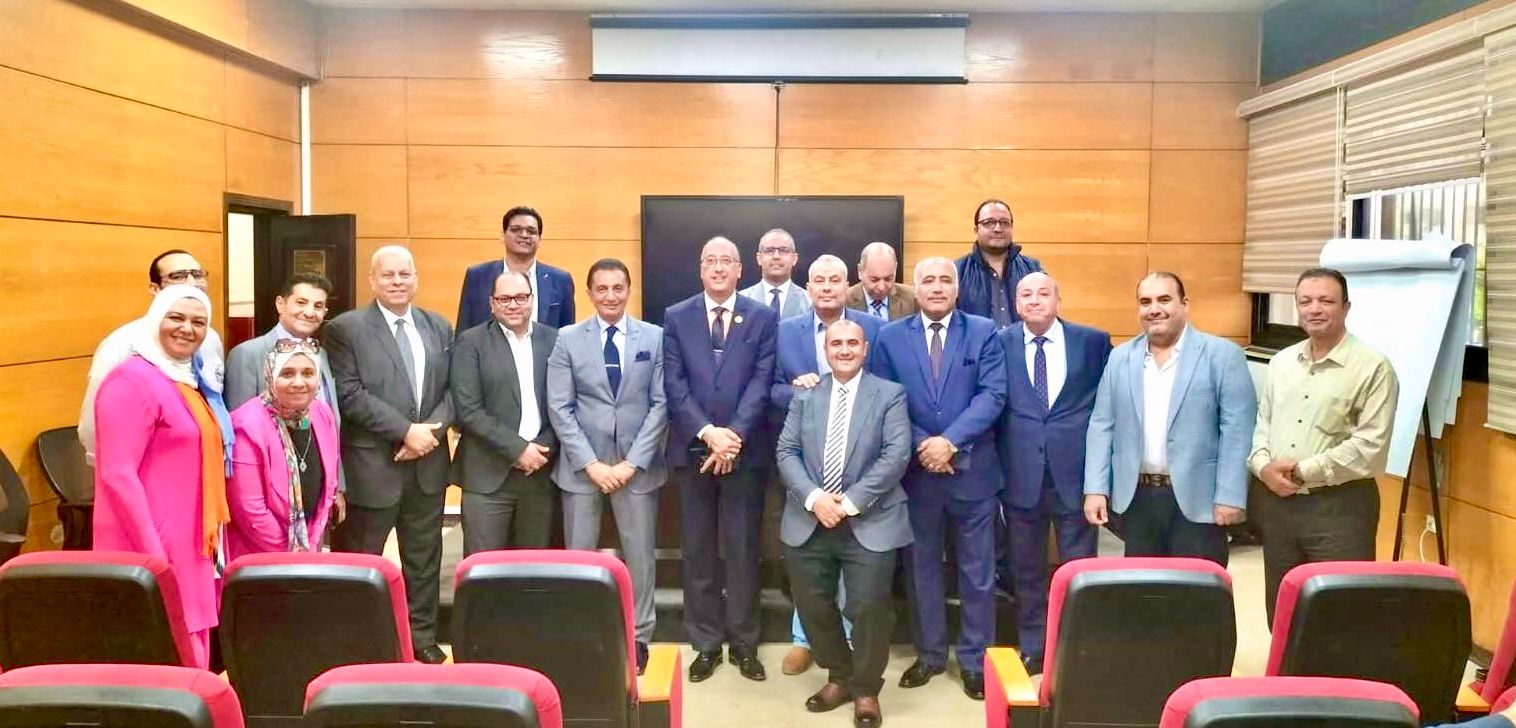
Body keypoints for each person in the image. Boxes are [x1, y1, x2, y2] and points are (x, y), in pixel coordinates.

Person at [870, 257, 1007, 700]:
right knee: (921, 570)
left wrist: (949, 442)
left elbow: (992, 395)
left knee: (977, 572)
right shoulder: (890, 337)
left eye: (945, 280)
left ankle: (975, 660)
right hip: (916, 476)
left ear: (956, 288)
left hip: (974, 474)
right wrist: (924, 446)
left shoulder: (983, 332)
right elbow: (885, 399)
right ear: (915, 288)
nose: (936, 287)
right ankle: (929, 655)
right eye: (927, 280)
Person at [776, 319, 912, 728]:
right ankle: (839, 676)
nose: (845, 350)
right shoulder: (805, 395)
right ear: (826, 350)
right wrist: (816, 499)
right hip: (810, 518)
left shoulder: (889, 394)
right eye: (837, 343)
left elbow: (896, 454)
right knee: (813, 605)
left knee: (868, 608)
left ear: (865, 349)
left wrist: (849, 503)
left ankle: (866, 689)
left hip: (870, 519)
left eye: (853, 343)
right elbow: (786, 450)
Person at [324, 245, 454, 665]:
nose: (397, 281)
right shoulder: (345, 329)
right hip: (371, 467)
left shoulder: (438, 326)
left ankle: (421, 639)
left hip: (427, 464)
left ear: (416, 278)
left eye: (404, 274)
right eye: (388, 275)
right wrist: (405, 431)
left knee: (424, 560)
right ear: (372, 280)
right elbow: (349, 394)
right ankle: (357, 643)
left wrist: (428, 434)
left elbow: (454, 391)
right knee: (360, 561)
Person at [92, 285, 231, 669]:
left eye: (198, 322)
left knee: (192, 649)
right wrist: (154, 555)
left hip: (190, 544)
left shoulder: (183, 380)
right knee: (164, 656)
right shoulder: (130, 381)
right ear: (154, 320)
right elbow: (117, 474)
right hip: (150, 543)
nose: (187, 328)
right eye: (176, 317)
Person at [1249, 268, 1397, 622]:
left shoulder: (1373, 367)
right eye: (1305, 301)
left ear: (1346, 307)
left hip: (1340, 508)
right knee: (1282, 610)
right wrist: (1262, 466)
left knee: (1340, 612)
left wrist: (1303, 471)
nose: (1314, 309)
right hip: (1278, 506)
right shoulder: (1282, 362)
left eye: (1326, 301)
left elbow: (1370, 447)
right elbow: (1263, 424)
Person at [663, 236, 779, 683]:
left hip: (745, 453)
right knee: (698, 551)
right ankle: (706, 643)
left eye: (725, 261)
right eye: (709, 260)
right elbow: (674, 384)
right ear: (700, 269)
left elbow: (762, 382)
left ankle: (745, 643)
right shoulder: (677, 316)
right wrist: (710, 434)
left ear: (739, 270)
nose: (717, 268)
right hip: (694, 451)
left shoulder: (762, 317)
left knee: (744, 549)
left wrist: (732, 438)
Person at [1084, 272, 1257, 566]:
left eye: (1164, 299)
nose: (1154, 309)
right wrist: (1095, 489)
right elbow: (1102, 425)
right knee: (1143, 588)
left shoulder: (1223, 355)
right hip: (1138, 499)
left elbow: (1237, 431)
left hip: (1200, 500)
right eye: (1145, 302)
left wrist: (1230, 495)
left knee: (1197, 589)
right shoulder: (1120, 358)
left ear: (1184, 304)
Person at [546, 258, 668, 674]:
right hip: (583, 470)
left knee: (640, 557)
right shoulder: (567, 339)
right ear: (589, 293)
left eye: (618, 288)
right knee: (579, 556)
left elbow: (661, 405)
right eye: (602, 289)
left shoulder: (654, 337)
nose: (610, 296)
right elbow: (560, 408)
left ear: (629, 290)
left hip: (638, 469)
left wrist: (632, 463)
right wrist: (592, 464)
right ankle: (582, 635)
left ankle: (639, 637)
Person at [771, 254, 883, 676]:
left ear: (847, 284)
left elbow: (886, 388)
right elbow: (770, 388)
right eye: (818, 280)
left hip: (860, 464)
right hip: (808, 464)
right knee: (811, 561)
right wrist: (797, 390)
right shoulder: (786, 330)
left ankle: (850, 639)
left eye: (835, 280)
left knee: (854, 558)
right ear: (808, 286)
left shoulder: (874, 329)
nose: (827, 287)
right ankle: (805, 640)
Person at [996, 272, 1112, 676]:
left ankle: (1080, 647)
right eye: (1025, 294)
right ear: (1016, 303)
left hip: (1075, 477)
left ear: (1058, 299)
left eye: (1043, 293)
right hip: (1020, 477)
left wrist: (1101, 480)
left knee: (1080, 568)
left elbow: (1108, 408)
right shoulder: (1000, 342)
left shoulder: (1092, 342)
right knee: (1025, 569)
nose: (1034, 300)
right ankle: (1034, 646)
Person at [80, 249, 226, 465]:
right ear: (155, 289)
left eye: (197, 274)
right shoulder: (123, 344)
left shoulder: (209, 338)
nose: (191, 283)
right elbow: (95, 421)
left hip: (210, 460)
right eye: (178, 276)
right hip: (150, 464)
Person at [451, 271, 559, 553]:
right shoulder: (471, 342)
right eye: (505, 299)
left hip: (539, 473)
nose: (513, 304)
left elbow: (565, 405)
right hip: (487, 477)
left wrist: (541, 449)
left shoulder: (554, 340)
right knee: (484, 570)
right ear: (492, 303)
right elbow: (468, 410)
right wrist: (519, 450)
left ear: (532, 300)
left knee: (533, 569)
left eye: (521, 297)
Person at [226, 340, 341, 560]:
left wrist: (309, 545)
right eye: (287, 374)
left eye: (308, 373)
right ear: (270, 375)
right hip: (259, 556)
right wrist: (291, 556)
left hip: (306, 550)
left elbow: (328, 487)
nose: (299, 382)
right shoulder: (246, 425)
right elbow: (250, 510)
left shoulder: (321, 412)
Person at [225, 273, 340, 420]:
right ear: (280, 304)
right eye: (301, 302)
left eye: (318, 306)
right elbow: (239, 420)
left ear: (324, 312)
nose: (309, 313)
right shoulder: (247, 354)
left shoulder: (321, 353)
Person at [456, 205, 575, 331]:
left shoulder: (560, 280)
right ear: (503, 235)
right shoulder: (478, 276)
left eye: (531, 231)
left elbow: (567, 335)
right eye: (516, 229)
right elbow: (464, 331)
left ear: (539, 239)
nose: (524, 235)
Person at [956, 199, 1044, 329]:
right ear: (976, 229)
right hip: (977, 343)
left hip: (1021, 342)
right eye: (989, 223)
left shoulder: (1032, 269)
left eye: (1004, 223)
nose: (998, 228)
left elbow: (1046, 314)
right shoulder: (958, 271)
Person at [739, 228, 811, 319]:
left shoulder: (810, 302)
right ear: (759, 258)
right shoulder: (740, 301)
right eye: (769, 250)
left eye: (783, 250)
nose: (776, 256)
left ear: (794, 258)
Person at [846, 242, 917, 322]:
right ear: (860, 271)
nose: (881, 287)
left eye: (888, 279)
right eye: (874, 280)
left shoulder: (913, 299)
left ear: (895, 269)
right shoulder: (844, 301)